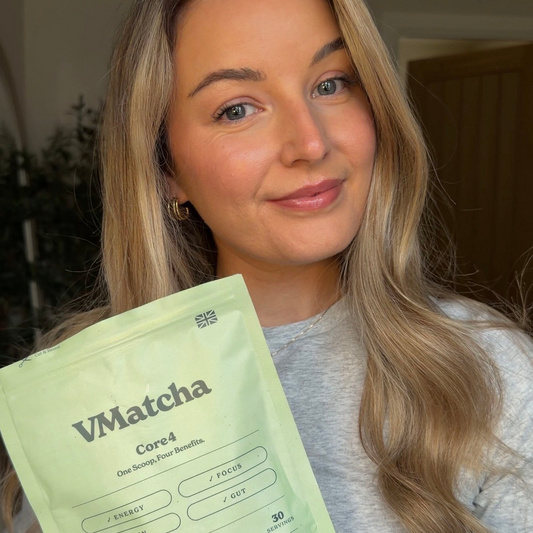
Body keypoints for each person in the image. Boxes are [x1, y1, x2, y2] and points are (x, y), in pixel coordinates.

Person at [1, 0, 532, 532]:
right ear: (167, 169)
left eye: (331, 84)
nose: (311, 143)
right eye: (237, 109)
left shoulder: (488, 372)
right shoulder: (87, 394)